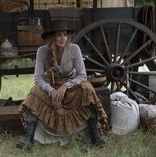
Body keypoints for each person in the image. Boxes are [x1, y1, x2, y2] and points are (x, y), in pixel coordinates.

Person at [17, 20, 108, 150]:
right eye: (59, 35)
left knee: (88, 90)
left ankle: (96, 137)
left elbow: (82, 75)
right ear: (51, 38)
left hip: (71, 86)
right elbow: (38, 78)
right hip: (51, 85)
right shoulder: (42, 51)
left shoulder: (74, 49)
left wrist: (65, 86)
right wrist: (51, 90)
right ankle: (28, 140)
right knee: (34, 93)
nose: (63, 38)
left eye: (65, 35)